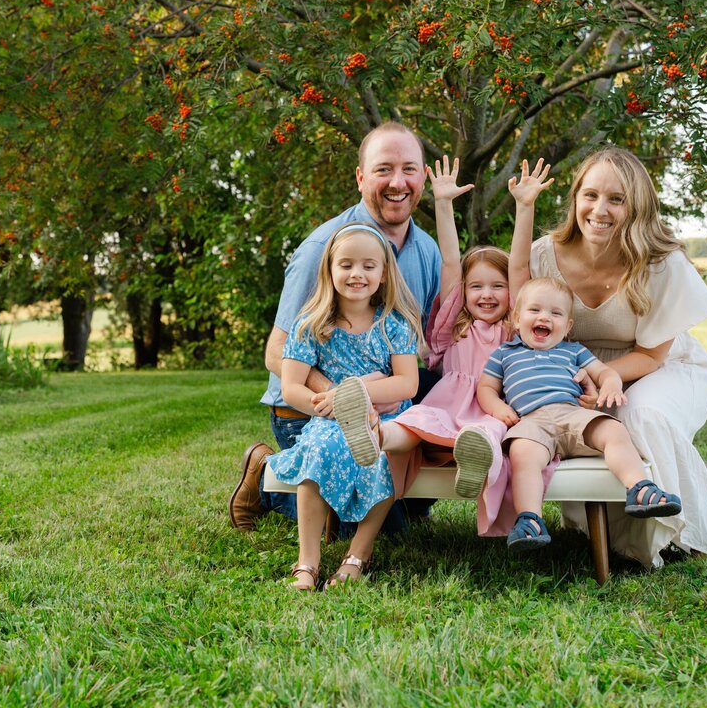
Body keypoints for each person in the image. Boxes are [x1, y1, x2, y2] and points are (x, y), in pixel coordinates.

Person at [512, 145, 707, 566]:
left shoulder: (660, 262)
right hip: (580, 369)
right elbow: (520, 300)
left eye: (617, 199)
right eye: (590, 195)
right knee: (582, 425)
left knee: (639, 415)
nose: (600, 209)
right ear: (575, 198)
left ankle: (700, 531)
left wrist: (604, 375)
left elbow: (650, 355)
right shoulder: (545, 254)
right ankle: (630, 540)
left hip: (660, 365)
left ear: (637, 207)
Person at [229, 121, 441, 532]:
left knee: (402, 508)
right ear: (361, 178)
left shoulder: (426, 251)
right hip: (308, 410)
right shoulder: (325, 250)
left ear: (424, 177)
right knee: (364, 524)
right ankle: (267, 477)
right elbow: (276, 352)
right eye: (383, 169)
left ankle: (405, 499)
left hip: (387, 409)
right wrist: (345, 398)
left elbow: (426, 350)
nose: (398, 182)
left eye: (409, 169)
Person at [334, 156, 553, 537]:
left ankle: (473, 464)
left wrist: (525, 206)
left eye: (497, 287)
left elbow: (519, 266)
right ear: (462, 293)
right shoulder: (453, 325)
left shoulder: (513, 326)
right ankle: (375, 439)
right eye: (477, 287)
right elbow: (451, 261)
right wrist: (443, 202)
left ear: (512, 295)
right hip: (446, 404)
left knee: (489, 433)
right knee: (414, 421)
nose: (487, 295)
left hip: (490, 409)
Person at [268, 223, 424, 589]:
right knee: (318, 451)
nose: (357, 274)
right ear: (330, 270)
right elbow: (291, 387)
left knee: (380, 454)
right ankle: (307, 563)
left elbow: (408, 384)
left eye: (369, 266)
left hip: (382, 415)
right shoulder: (311, 324)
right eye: (347, 265)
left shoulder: (393, 324)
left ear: (384, 274)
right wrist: (328, 405)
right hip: (329, 418)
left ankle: (358, 554)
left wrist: (359, 394)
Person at [477, 276, 684, 550]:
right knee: (522, 455)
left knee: (614, 431)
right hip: (532, 421)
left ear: (568, 326)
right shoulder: (504, 354)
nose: (545, 317)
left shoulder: (573, 350)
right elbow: (486, 388)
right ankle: (530, 519)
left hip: (573, 415)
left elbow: (604, 371)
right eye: (535, 310)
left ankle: (640, 488)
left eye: (556, 313)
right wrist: (498, 407)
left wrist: (610, 384)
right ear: (516, 319)